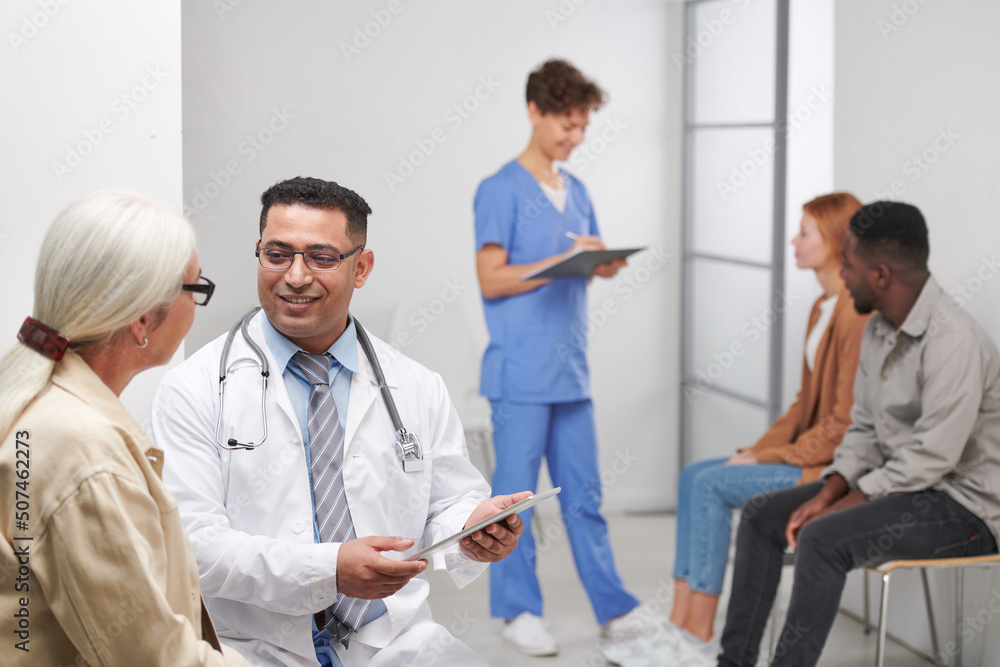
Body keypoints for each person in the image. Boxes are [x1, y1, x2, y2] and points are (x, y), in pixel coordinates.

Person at [148, 176, 529, 667]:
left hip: (392, 643)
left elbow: (451, 500)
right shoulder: (195, 388)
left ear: (362, 267)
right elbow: (191, 548)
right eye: (277, 253)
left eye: (322, 257)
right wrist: (328, 570)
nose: (296, 276)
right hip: (250, 649)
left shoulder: (415, 386)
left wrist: (473, 528)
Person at [713, 201, 1000, 667]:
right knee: (761, 515)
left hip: (965, 509)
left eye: (848, 264)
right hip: (901, 489)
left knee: (824, 538)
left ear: (881, 274)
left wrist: (844, 505)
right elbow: (863, 429)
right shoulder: (878, 329)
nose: (841, 274)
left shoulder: (954, 339)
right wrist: (828, 491)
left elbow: (932, 457)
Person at [0, 191, 246, 666]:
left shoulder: (41, 409)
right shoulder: (81, 450)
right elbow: (151, 658)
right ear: (141, 320)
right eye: (196, 289)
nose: (198, 306)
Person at [622, 193, 869, 665]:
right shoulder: (823, 307)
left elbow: (844, 422)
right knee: (695, 475)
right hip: (804, 454)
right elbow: (802, 407)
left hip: (827, 468)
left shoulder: (855, 315)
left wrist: (768, 458)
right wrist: (756, 450)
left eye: (805, 232)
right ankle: (679, 626)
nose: (794, 240)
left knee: (712, 485)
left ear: (837, 240)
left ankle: (696, 634)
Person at [473, 58, 645, 657]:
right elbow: (491, 279)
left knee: (585, 499)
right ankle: (517, 610)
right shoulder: (499, 189)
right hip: (520, 374)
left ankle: (614, 606)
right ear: (535, 112)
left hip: (570, 374)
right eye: (566, 125)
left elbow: (586, 267)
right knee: (514, 503)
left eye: (583, 127)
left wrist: (603, 260)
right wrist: (552, 269)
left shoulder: (578, 191)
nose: (575, 137)